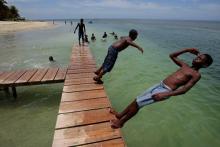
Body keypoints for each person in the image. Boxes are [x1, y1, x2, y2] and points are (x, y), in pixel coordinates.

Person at [109, 48, 213, 129]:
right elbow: (172, 55)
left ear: (205, 65)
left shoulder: (196, 75)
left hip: (165, 90)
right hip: (159, 85)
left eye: (200, 59)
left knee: (138, 103)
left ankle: (120, 123)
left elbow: (184, 90)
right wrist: (187, 50)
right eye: (198, 56)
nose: (196, 58)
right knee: (137, 99)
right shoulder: (185, 65)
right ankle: (120, 115)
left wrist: (165, 94)